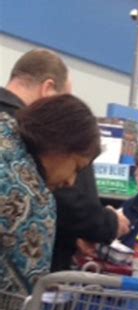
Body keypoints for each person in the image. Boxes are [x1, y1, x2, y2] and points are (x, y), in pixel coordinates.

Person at [0, 49, 129, 268]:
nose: (70, 180)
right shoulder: (28, 142)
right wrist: (105, 224)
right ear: (48, 89)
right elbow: (71, 203)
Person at [0, 94, 101, 292]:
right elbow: (25, 290)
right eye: (76, 168)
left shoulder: (4, 127)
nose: (71, 181)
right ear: (60, 147)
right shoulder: (33, 199)